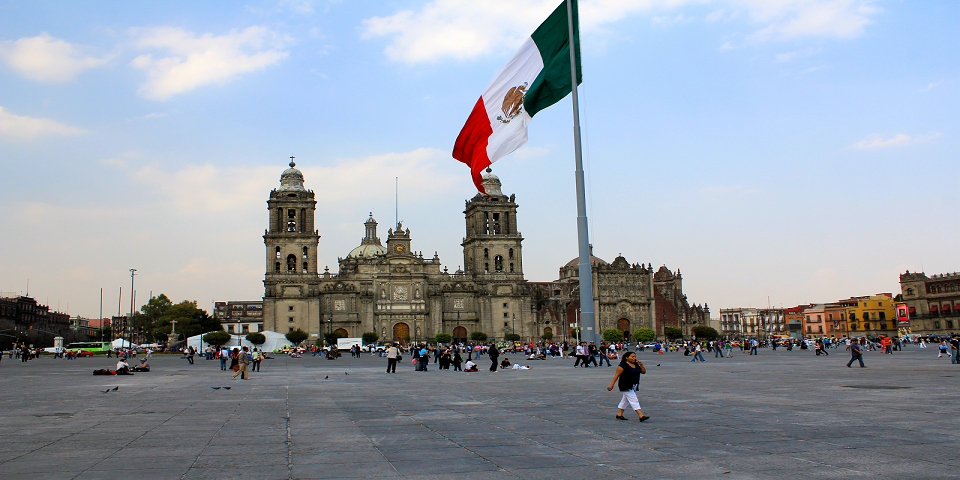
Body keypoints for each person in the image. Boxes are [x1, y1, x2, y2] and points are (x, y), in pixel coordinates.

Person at [606, 352, 649, 422]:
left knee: (625, 400)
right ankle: (641, 415)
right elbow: (617, 375)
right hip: (625, 385)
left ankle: (619, 414)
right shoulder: (622, 365)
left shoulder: (636, 364)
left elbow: (643, 372)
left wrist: (641, 365)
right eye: (632, 357)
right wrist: (612, 385)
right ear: (627, 357)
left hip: (634, 385)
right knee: (633, 399)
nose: (634, 358)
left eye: (635, 356)